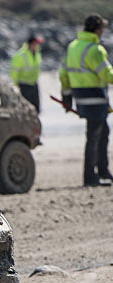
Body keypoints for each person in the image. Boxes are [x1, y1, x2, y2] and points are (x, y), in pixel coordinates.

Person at [60, 14, 113, 187]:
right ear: (97, 30)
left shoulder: (73, 46)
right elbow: (107, 75)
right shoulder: (95, 50)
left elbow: (63, 74)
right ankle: (90, 176)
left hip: (80, 97)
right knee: (94, 136)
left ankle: (103, 171)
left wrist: (67, 97)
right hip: (95, 97)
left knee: (102, 132)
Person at [10, 34, 44, 112]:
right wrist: (15, 84)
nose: (37, 45)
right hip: (24, 85)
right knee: (26, 108)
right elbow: (14, 71)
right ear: (31, 43)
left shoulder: (37, 53)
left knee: (36, 109)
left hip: (33, 84)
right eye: (36, 43)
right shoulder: (21, 55)